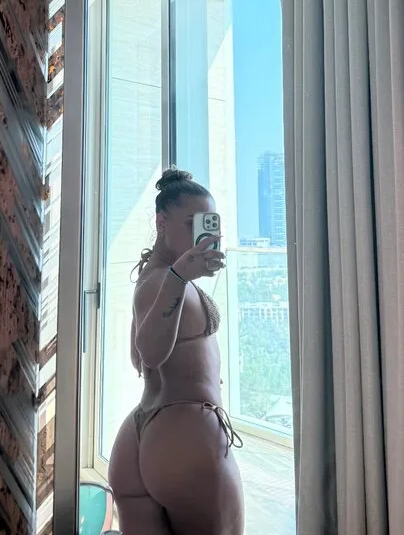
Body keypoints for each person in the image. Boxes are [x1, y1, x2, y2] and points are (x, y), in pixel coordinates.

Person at [108, 168, 245, 535]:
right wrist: (181, 276)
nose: (205, 234)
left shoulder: (151, 278)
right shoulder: (167, 279)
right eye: (192, 223)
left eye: (208, 223)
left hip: (142, 434)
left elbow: (137, 360)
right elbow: (149, 354)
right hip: (185, 437)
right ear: (161, 223)